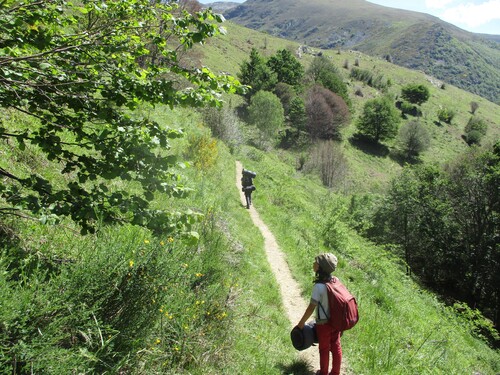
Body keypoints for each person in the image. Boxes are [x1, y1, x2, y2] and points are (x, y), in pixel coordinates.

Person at [297, 253, 342, 375]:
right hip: (336, 322)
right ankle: (335, 372)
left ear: (320, 268)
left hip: (323, 324)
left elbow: (311, 308)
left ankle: (323, 372)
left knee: (324, 349)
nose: (313, 263)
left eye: (316, 262)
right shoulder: (335, 281)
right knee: (336, 346)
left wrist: (301, 324)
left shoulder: (318, 287)